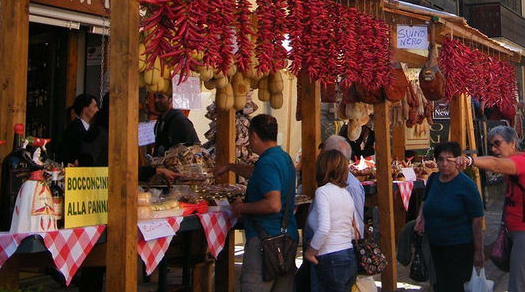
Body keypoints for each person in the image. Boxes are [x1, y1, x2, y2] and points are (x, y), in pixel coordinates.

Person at [452, 127, 525, 292]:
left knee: (519, 286)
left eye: (497, 143)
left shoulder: (522, 162)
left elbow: (496, 164)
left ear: (512, 143)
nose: (493, 149)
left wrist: (469, 161)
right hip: (521, 233)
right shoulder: (515, 163)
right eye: (491, 145)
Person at [215, 114, 298, 291]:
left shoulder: (267, 163)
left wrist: (241, 207)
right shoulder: (283, 158)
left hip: (266, 242)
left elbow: (273, 204)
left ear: (253, 136)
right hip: (287, 238)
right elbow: (258, 175)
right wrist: (231, 167)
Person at [414, 142, 484, 292]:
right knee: (439, 286)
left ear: (456, 161)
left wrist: (479, 251)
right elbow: (426, 200)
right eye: (440, 159)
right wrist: (422, 217)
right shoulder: (433, 179)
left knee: (453, 287)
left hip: (459, 247)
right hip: (435, 246)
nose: (444, 164)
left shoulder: (467, 185)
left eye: (449, 159)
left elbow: (477, 220)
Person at [301, 135, 365, 292]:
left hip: (330, 258)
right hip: (346, 256)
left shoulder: (324, 192)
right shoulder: (344, 193)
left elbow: (324, 228)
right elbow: (353, 228)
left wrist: (310, 252)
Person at [55, 93, 100, 165]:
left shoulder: (94, 129)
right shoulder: (73, 129)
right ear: (85, 109)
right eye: (94, 106)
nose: (97, 110)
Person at [152, 91, 200, 156]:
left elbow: (195, 147)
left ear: (171, 99)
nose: (156, 100)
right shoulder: (160, 121)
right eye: (155, 96)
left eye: (161, 97)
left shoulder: (181, 121)